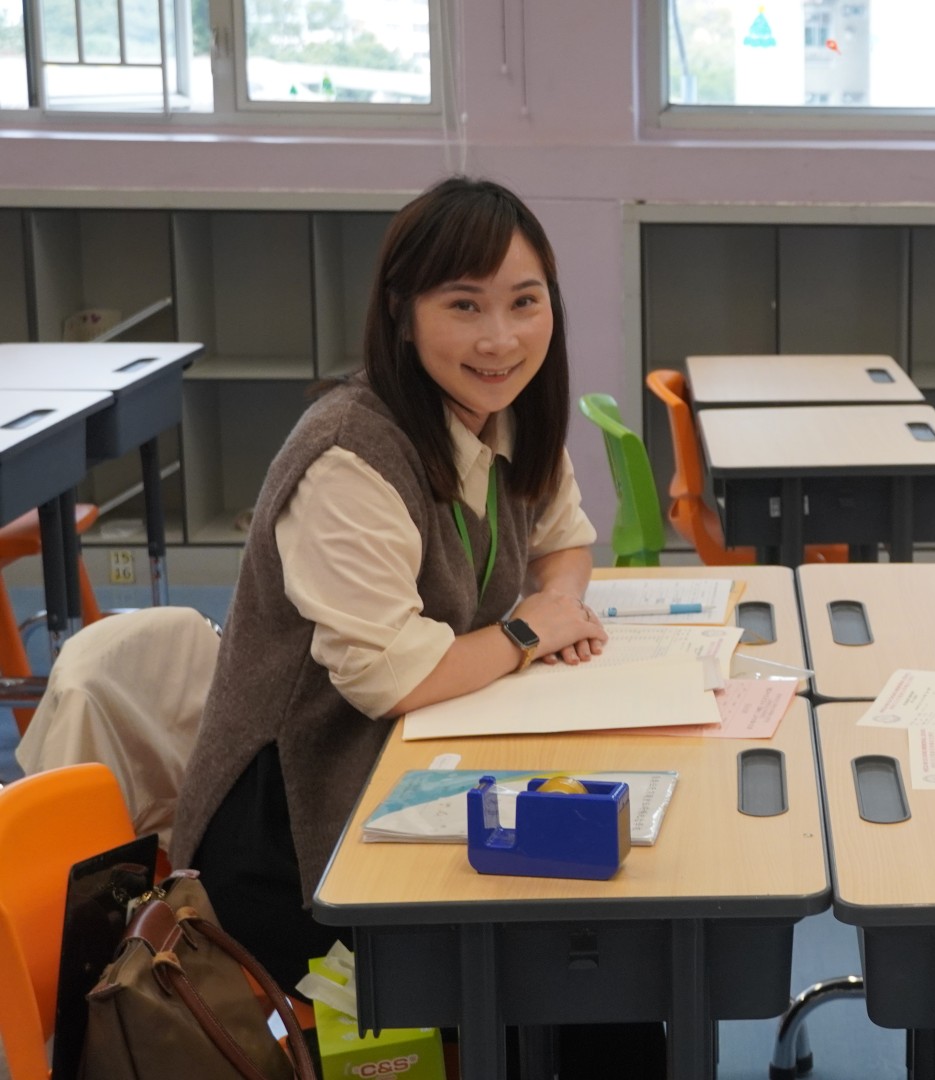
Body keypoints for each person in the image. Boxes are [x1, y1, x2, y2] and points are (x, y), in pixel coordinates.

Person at [171, 177, 609, 988]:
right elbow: (393, 677)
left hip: (420, 763)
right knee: (567, 961)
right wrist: (527, 631)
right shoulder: (348, 456)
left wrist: (557, 600)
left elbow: (565, 541)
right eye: (464, 306)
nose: (500, 339)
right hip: (298, 831)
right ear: (403, 315)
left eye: (524, 302)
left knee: (591, 934)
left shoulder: (509, 412)